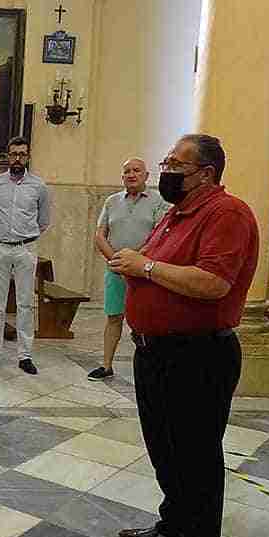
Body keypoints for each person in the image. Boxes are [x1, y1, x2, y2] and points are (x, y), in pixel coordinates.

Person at [109, 134, 258, 537]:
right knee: (165, 448)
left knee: (196, 454)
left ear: (206, 174)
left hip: (197, 355)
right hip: (155, 351)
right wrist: (137, 260)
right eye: (167, 161)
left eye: (176, 164)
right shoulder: (177, 213)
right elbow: (157, 265)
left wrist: (146, 266)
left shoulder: (226, 213)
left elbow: (214, 283)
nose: (166, 170)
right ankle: (174, 525)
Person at [88, 158, 169, 381]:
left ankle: (149, 366)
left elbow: (159, 236)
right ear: (122, 176)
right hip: (115, 270)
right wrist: (118, 261)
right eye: (127, 171)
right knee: (114, 316)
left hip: (145, 273)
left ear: (146, 175)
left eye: (136, 170)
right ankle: (106, 365)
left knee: (145, 322)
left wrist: (135, 262)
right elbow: (100, 234)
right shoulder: (112, 201)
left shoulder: (160, 201)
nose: (131, 175)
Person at [0, 136, 50, 376]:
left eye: (22, 154)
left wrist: (24, 238)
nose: (17, 158)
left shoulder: (39, 187)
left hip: (26, 249)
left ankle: (25, 355)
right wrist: (0, 236)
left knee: (25, 304)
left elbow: (43, 221)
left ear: (28, 156)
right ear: (7, 156)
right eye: (13, 154)